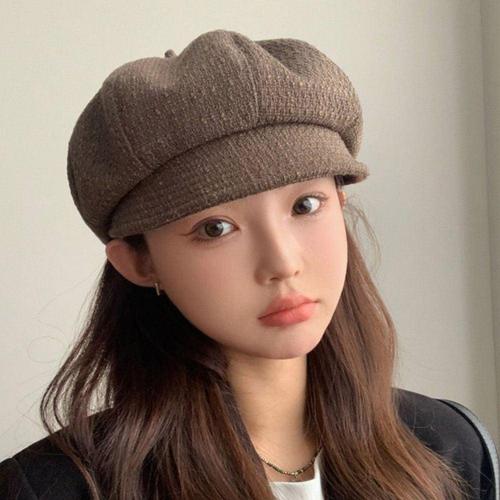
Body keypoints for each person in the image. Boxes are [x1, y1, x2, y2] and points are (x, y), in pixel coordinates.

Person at [0, 28, 497, 500]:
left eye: (305, 205)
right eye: (215, 228)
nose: (282, 262)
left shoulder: (448, 448)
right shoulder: (53, 489)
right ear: (138, 262)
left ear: (341, 204)